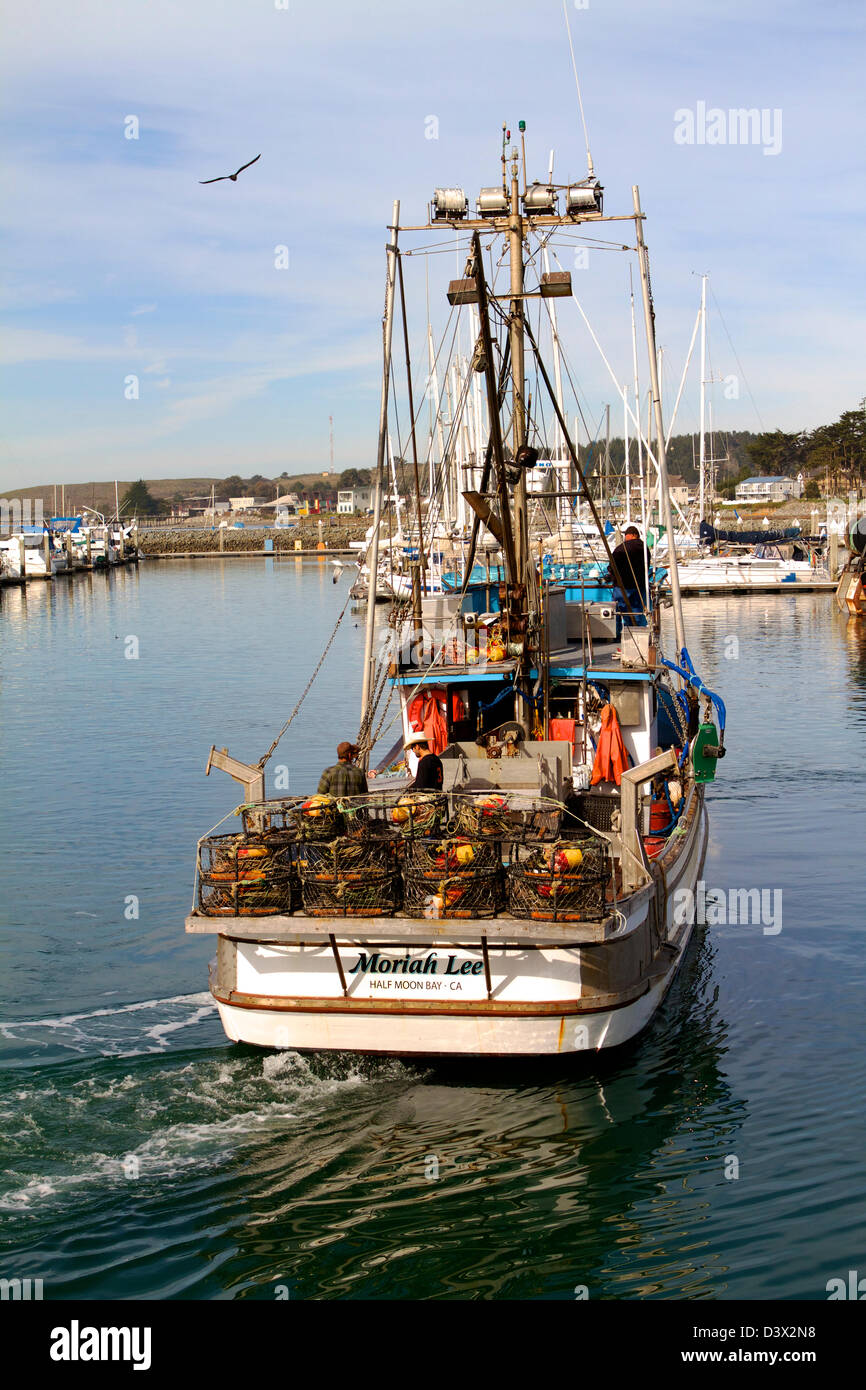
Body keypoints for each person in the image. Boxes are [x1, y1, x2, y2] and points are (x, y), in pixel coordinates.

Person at [608, 525, 651, 621]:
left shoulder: (621, 548)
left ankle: (617, 632)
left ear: (632, 535)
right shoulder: (644, 548)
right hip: (639, 585)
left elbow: (612, 566)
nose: (625, 538)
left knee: (618, 610)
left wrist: (611, 575)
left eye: (626, 535)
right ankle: (636, 630)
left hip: (622, 585)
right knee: (636, 609)